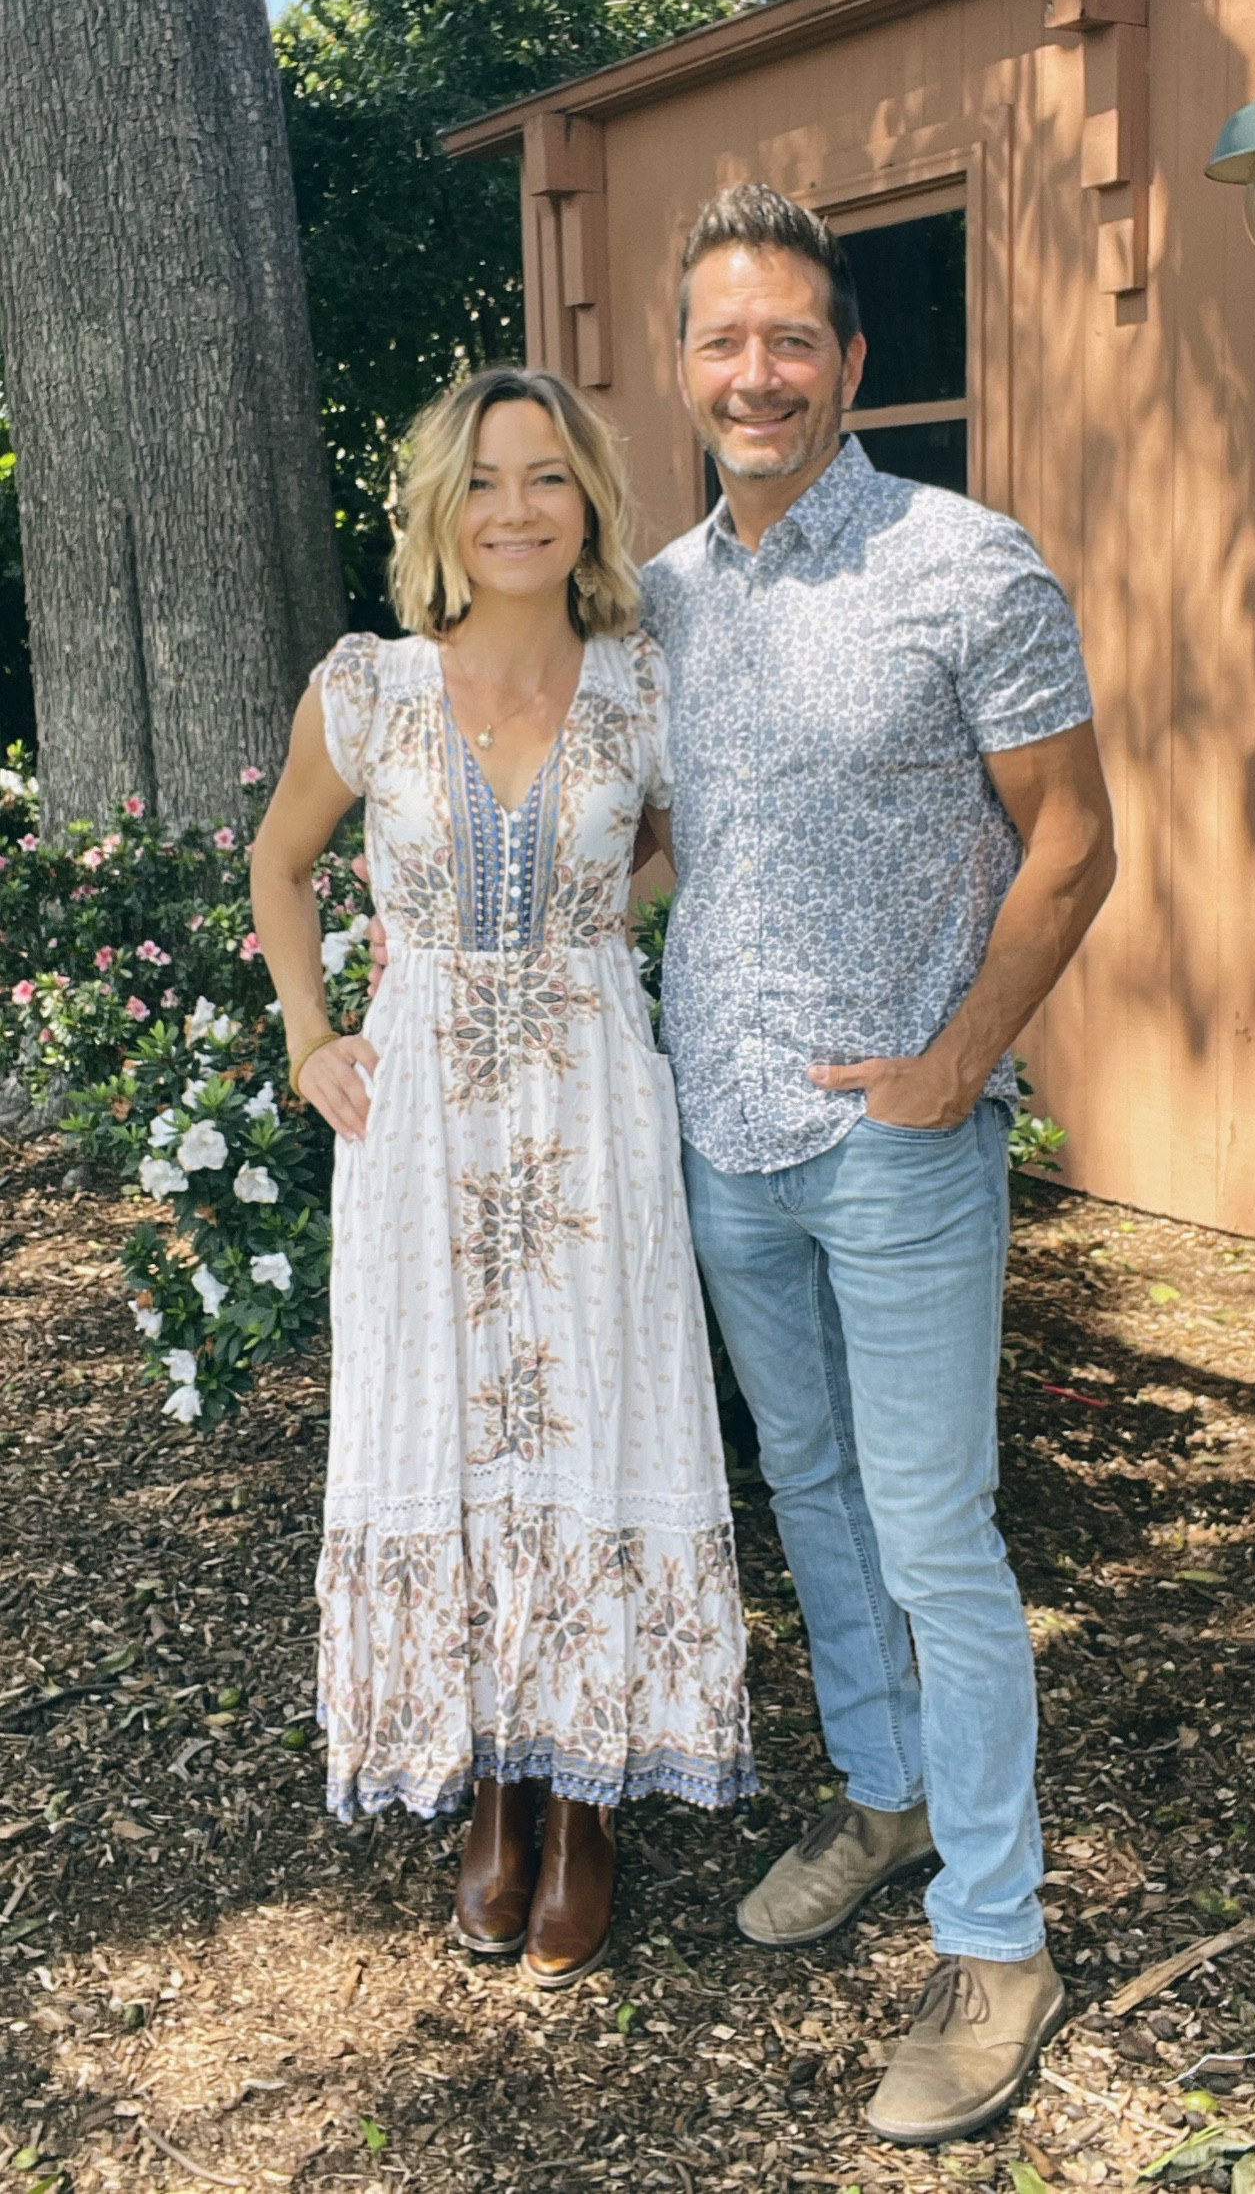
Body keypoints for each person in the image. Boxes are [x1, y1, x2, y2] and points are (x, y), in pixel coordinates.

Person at [645, 184, 1117, 2145]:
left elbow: (1075, 841)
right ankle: (884, 1799)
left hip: (898, 1143)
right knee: (816, 1496)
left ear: (845, 365)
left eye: (790, 341)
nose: (754, 372)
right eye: (721, 342)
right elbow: (688, 844)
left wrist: (951, 1067)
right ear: (688, 374)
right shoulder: (660, 596)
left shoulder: (966, 565)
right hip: (724, 1129)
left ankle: (1000, 1942)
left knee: (938, 1534)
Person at [250, 363, 755, 1991]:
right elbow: (281, 860)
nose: (518, 507)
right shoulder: (371, 688)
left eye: (547, 476)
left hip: (594, 1108)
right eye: (485, 480)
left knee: (596, 1418)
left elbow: (677, 837)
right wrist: (313, 1032)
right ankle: (496, 1784)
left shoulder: (645, 683)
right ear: (440, 513)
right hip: (425, 1132)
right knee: (458, 1431)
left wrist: (588, 922)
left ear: (589, 500)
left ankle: (589, 1795)